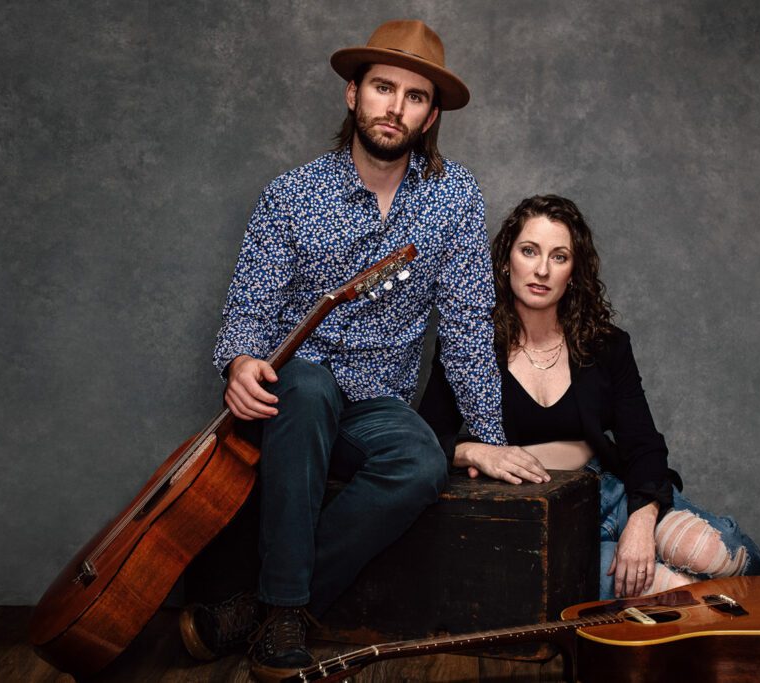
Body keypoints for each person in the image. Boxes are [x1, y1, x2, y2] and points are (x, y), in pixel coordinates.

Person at [178, 20, 507, 681]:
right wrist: (242, 362)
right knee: (303, 385)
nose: (396, 107)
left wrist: (490, 432)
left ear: (431, 113)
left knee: (418, 461)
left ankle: (267, 608)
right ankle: (284, 619)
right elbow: (247, 312)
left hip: (378, 402)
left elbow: (468, 325)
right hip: (297, 399)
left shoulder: (454, 197)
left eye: (415, 96)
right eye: (383, 88)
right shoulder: (291, 196)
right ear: (352, 94)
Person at [419, 194, 760, 602]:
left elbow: (643, 443)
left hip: (610, 492)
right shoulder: (469, 343)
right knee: (682, 592)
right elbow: (421, 439)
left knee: (708, 552)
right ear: (506, 260)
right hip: (540, 521)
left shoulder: (604, 346)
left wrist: (642, 517)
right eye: (529, 251)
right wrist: (472, 450)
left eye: (559, 257)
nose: (541, 270)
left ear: (574, 273)